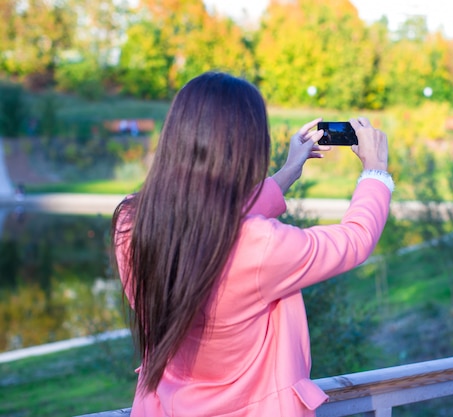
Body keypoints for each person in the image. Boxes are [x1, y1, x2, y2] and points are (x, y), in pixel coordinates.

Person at [111, 71, 393, 417]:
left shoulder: (131, 222)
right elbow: (355, 239)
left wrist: (289, 171)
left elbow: (209, 222)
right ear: (247, 148)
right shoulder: (260, 246)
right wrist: (376, 171)